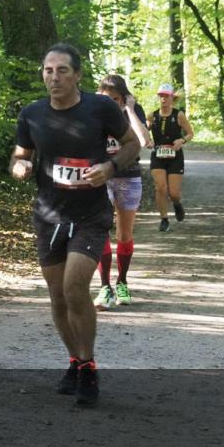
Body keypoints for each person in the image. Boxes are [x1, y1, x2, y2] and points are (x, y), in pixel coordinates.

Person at [10, 44, 140, 405]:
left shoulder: (100, 108)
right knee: (56, 297)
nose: (54, 76)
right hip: (49, 215)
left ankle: (88, 367)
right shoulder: (32, 114)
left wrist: (110, 168)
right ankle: (76, 360)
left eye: (62, 70)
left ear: (77, 75)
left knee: (74, 287)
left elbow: (131, 144)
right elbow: (21, 153)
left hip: (90, 215)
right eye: (48, 70)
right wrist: (19, 166)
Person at [93, 74, 152, 310]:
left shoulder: (133, 110)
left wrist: (128, 109)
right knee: (99, 229)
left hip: (129, 177)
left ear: (123, 98)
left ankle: (122, 282)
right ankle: (105, 286)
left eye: (116, 99)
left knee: (124, 233)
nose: (111, 103)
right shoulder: (92, 112)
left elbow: (144, 140)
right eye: (106, 98)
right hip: (101, 178)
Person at [147, 84, 195, 232]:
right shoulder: (152, 116)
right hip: (158, 155)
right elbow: (143, 131)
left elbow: (190, 133)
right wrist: (147, 141)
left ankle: (177, 204)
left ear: (172, 98)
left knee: (173, 192)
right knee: (160, 187)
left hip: (175, 156)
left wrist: (182, 141)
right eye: (161, 96)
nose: (163, 99)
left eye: (166, 96)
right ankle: (164, 219)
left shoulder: (178, 115)